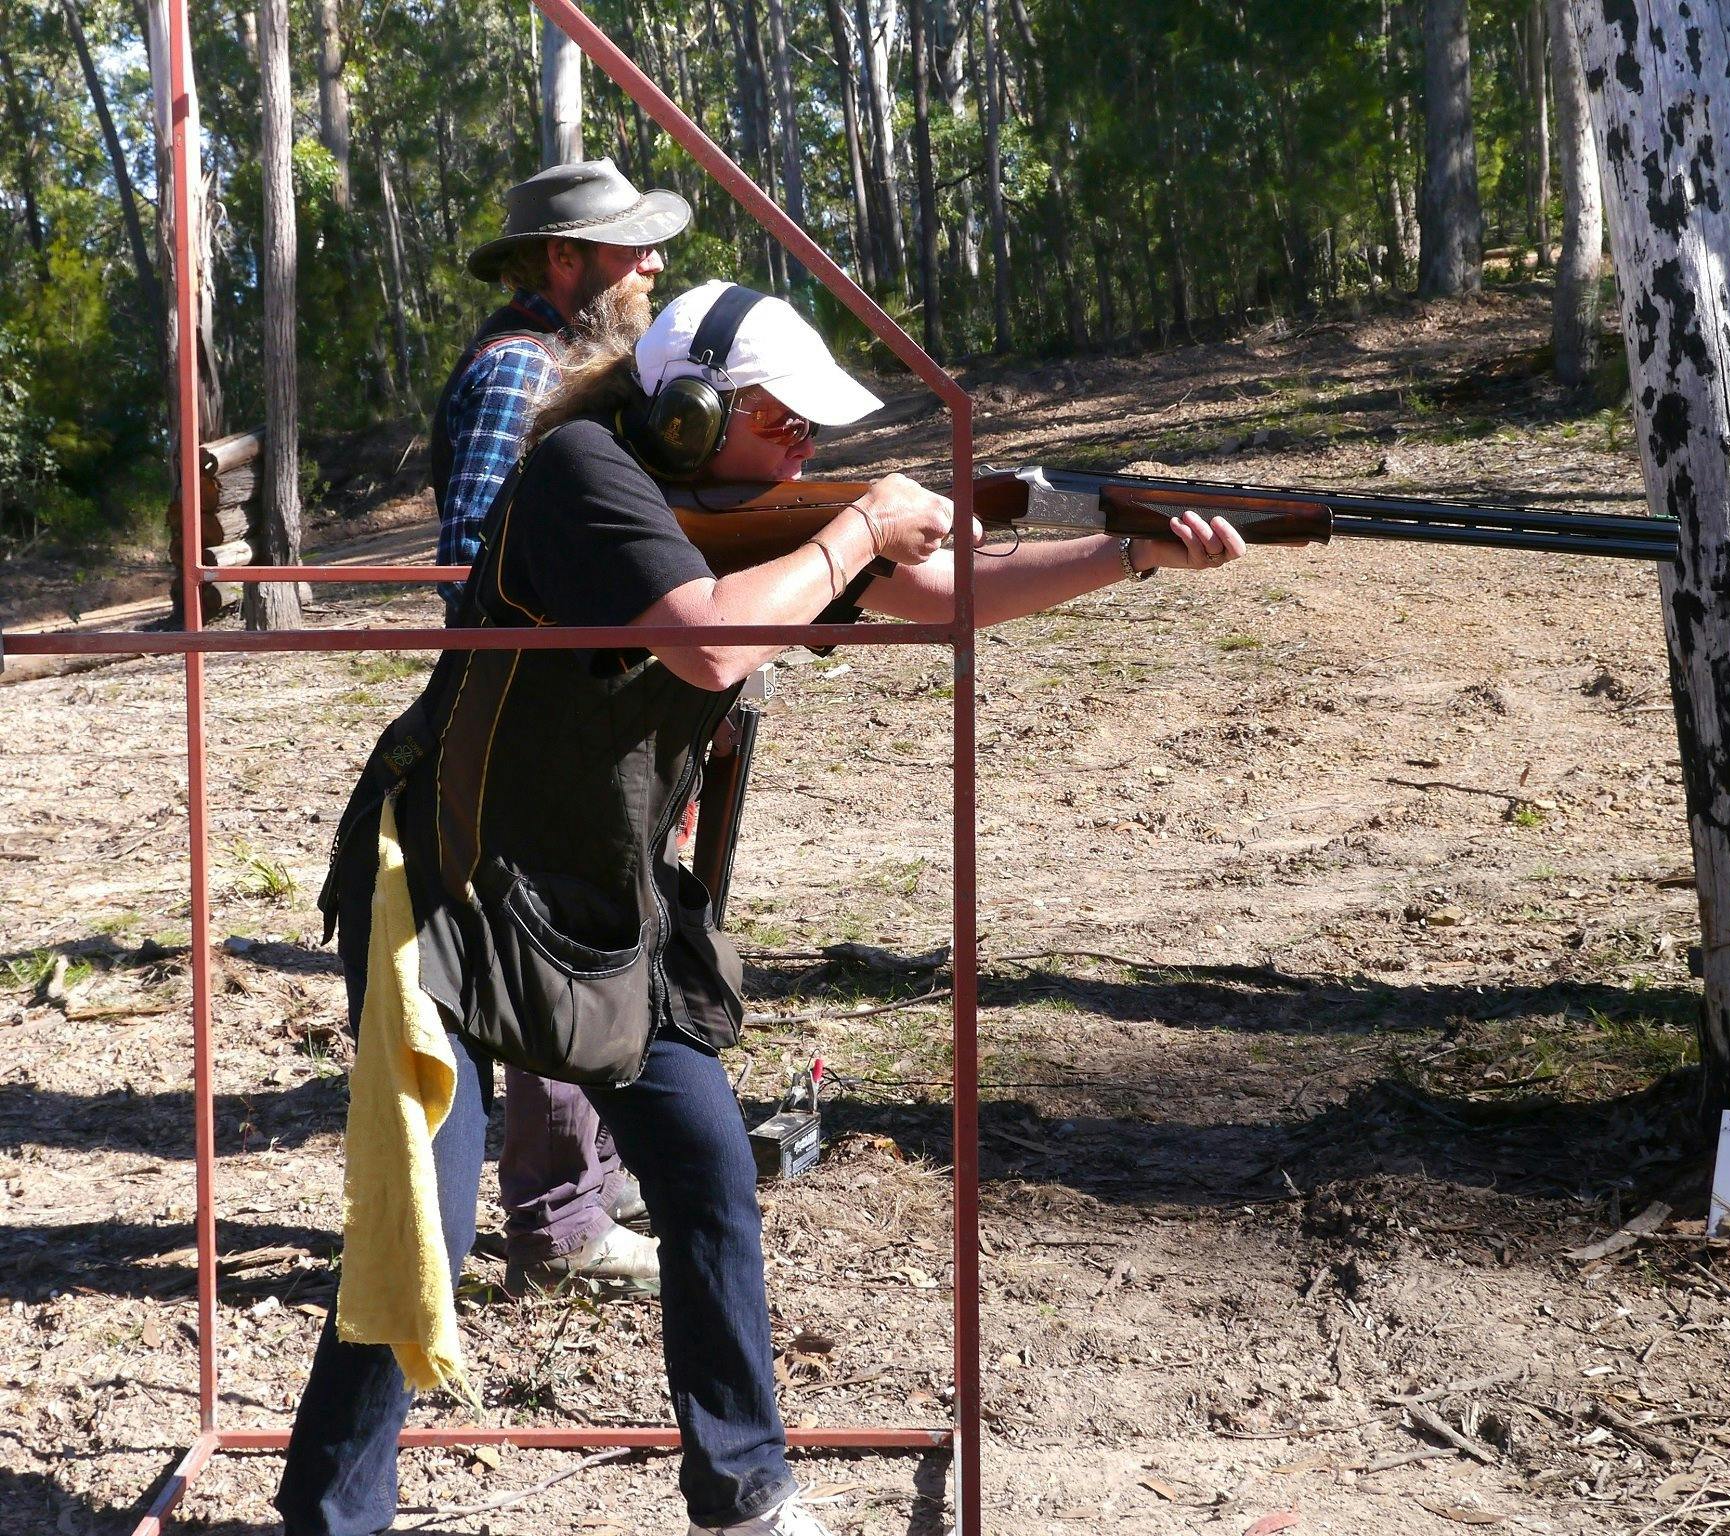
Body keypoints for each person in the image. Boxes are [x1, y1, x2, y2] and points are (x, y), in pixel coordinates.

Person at [278, 280, 1247, 1536]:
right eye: (783, 422)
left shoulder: (751, 529)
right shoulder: (582, 472)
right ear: (688, 412)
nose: (805, 449)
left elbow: (949, 599)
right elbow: (708, 644)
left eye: (812, 430)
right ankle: (330, 1517)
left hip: (595, 907)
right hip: (452, 897)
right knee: (429, 1223)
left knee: (709, 1171)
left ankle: (743, 1496)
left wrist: (1134, 553)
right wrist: (857, 529)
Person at [434, 158, 690, 1296]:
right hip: (530, 709)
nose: (653, 265)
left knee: (594, 926)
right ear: (562, 259)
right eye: (630, 248)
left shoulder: (567, 364)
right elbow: (473, 559)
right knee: (549, 947)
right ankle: (560, 1224)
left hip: (569, 699)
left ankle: (595, 1178)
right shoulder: (518, 372)